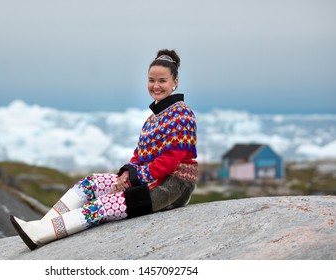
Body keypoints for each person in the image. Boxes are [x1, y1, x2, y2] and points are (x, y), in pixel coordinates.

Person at [10, 49, 198, 250]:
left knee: (105, 205)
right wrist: (126, 174)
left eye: (162, 80)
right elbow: (139, 154)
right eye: (151, 80)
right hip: (151, 178)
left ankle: (39, 234)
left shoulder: (182, 115)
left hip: (172, 186)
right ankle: (40, 227)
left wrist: (133, 179)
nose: (156, 86)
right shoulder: (153, 118)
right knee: (90, 184)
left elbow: (169, 162)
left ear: (174, 82)